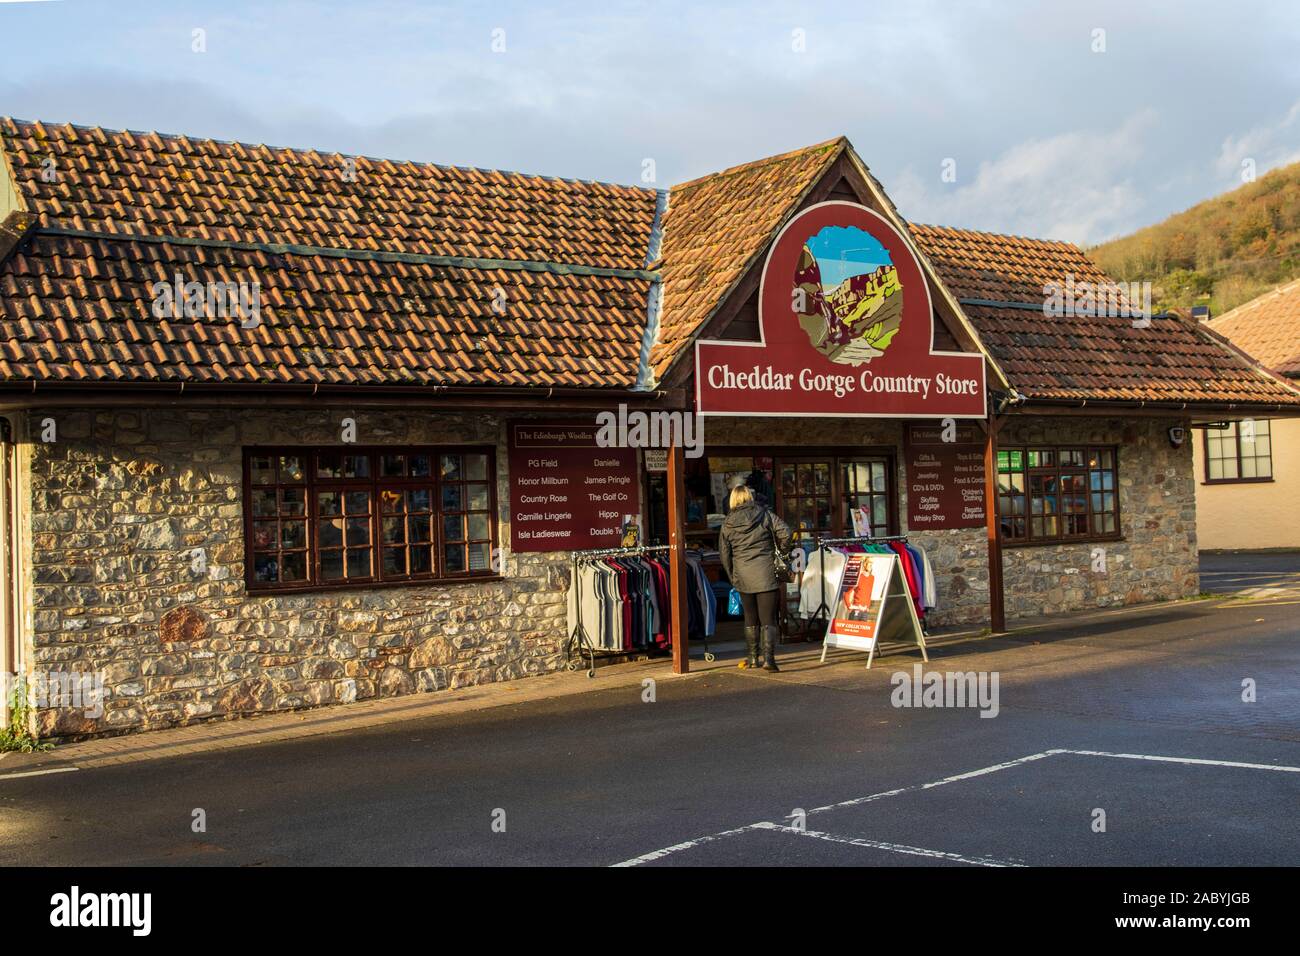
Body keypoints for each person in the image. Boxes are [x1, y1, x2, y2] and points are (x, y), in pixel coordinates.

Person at [719, 484, 793, 672]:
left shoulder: (727, 522)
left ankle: (752, 658)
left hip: (743, 574)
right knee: (767, 619)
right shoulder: (765, 514)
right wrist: (781, 553)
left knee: (750, 619)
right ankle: (769, 660)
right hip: (766, 571)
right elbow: (786, 532)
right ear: (749, 497)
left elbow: (724, 554)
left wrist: (732, 576)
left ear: (733, 499)